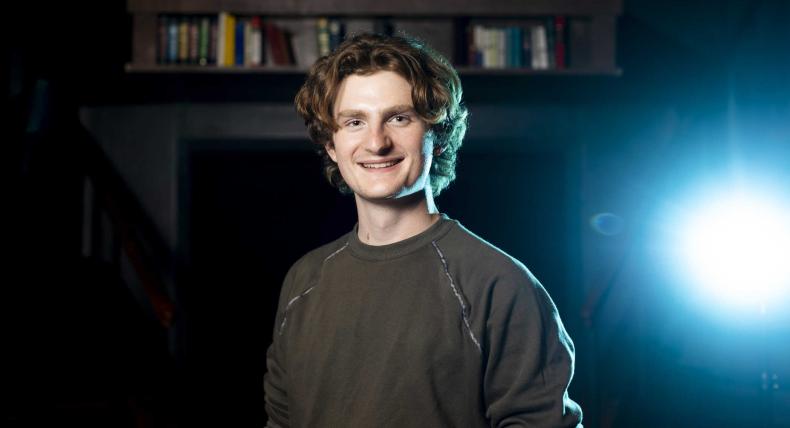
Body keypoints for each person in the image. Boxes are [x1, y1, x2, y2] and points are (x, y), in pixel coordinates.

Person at [263, 33, 583, 427]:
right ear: (332, 143)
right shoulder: (303, 280)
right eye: (355, 122)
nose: (377, 142)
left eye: (399, 118)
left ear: (436, 133)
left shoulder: (499, 285)